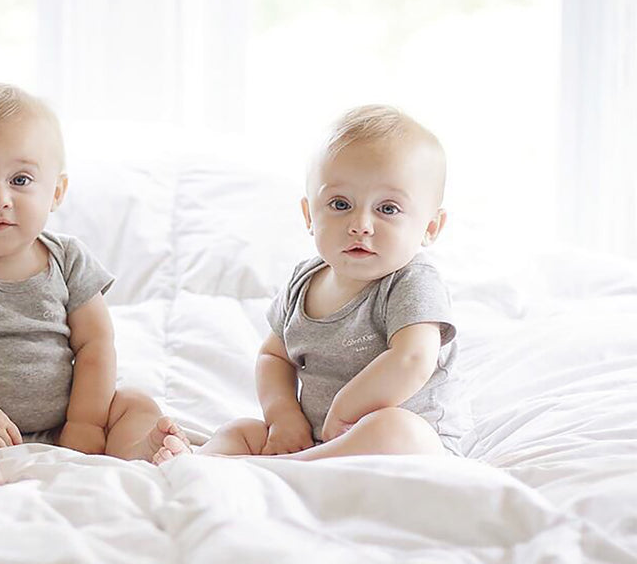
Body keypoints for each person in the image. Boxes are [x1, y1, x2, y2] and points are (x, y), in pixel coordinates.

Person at [0, 82, 189, 485]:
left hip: (70, 417)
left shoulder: (68, 260)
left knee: (135, 401)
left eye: (21, 180)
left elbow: (95, 345)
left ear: (56, 192)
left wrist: (87, 422)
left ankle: (137, 449)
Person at [153, 104, 468, 464]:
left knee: (394, 428)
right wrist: (283, 416)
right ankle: (198, 462)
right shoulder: (304, 282)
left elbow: (413, 358)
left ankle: (282, 469)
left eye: (388, 209)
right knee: (242, 431)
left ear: (431, 228)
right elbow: (273, 356)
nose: (361, 224)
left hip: (411, 445)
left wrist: (348, 408)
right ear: (309, 215)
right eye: (340, 203)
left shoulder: (411, 281)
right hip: (319, 438)